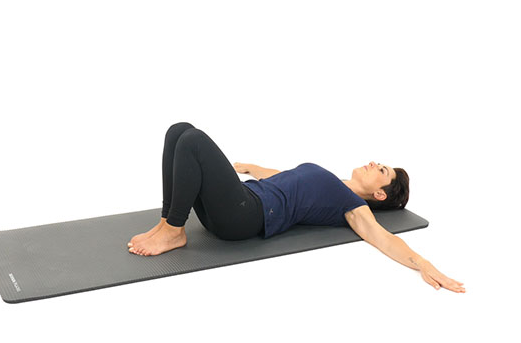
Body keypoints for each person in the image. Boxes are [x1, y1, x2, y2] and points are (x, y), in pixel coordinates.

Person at [127, 122, 465, 293]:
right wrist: (249, 167)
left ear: (379, 194)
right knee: (179, 131)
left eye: (382, 171)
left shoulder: (351, 205)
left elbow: (383, 237)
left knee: (193, 140)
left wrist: (423, 264)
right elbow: (284, 178)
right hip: (242, 199)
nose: (374, 163)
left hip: (245, 215)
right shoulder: (334, 181)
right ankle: (166, 222)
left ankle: (175, 232)